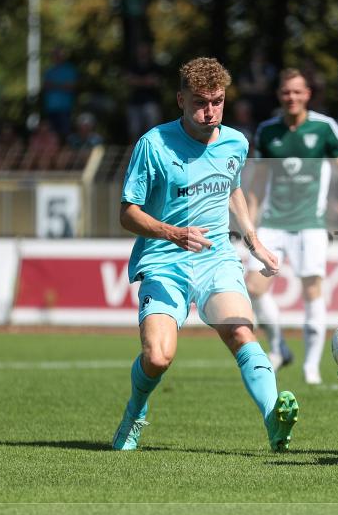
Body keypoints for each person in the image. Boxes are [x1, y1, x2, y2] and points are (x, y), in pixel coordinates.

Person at [112, 57, 299, 452]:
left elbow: (232, 189)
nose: (209, 111)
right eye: (200, 102)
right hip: (164, 260)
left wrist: (253, 241)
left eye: (217, 101)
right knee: (159, 357)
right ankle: (135, 413)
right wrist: (172, 233)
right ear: (180, 99)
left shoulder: (236, 141)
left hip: (216, 259)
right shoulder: (153, 144)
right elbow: (128, 213)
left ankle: (273, 419)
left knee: (240, 330)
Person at [245, 68, 338, 385]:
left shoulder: (325, 128)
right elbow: (258, 182)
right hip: (272, 223)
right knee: (253, 287)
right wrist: (250, 226)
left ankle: (311, 367)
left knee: (311, 290)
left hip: (310, 224)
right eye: (286, 92)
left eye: (298, 92)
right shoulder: (267, 131)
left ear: (308, 94)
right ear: (279, 95)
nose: (292, 97)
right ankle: (279, 349)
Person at [125, 43, 163, 143]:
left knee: (152, 130)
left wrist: (137, 81)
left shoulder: (154, 65)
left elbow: (155, 82)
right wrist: (146, 81)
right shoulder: (132, 65)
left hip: (151, 102)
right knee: (134, 131)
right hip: (134, 103)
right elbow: (129, 81)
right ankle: (135, 154)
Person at [42, 47, 79, 140]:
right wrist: (61, 85)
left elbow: (71, 87)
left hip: (64, 108)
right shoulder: (49, 71)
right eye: (54, 55)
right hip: (50, 108)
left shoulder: (69, 70)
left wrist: (53, 85)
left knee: (64, 133)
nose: (56, 57)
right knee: (51, 134)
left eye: (58, 55)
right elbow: (46, 87)